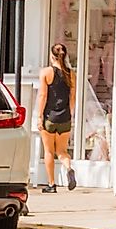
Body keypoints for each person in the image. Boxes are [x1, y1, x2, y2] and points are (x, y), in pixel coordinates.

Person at [35, 43, 77, 193]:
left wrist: (39, 116)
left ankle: (51, 184)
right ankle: (69, 168)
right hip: (65, 117)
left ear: (51, 55)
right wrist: (70, 113)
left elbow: (43, 95)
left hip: (50, 117)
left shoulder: (46, 72)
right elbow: (72, 97)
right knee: (62, 151)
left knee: (48, 151)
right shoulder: (71, 74)